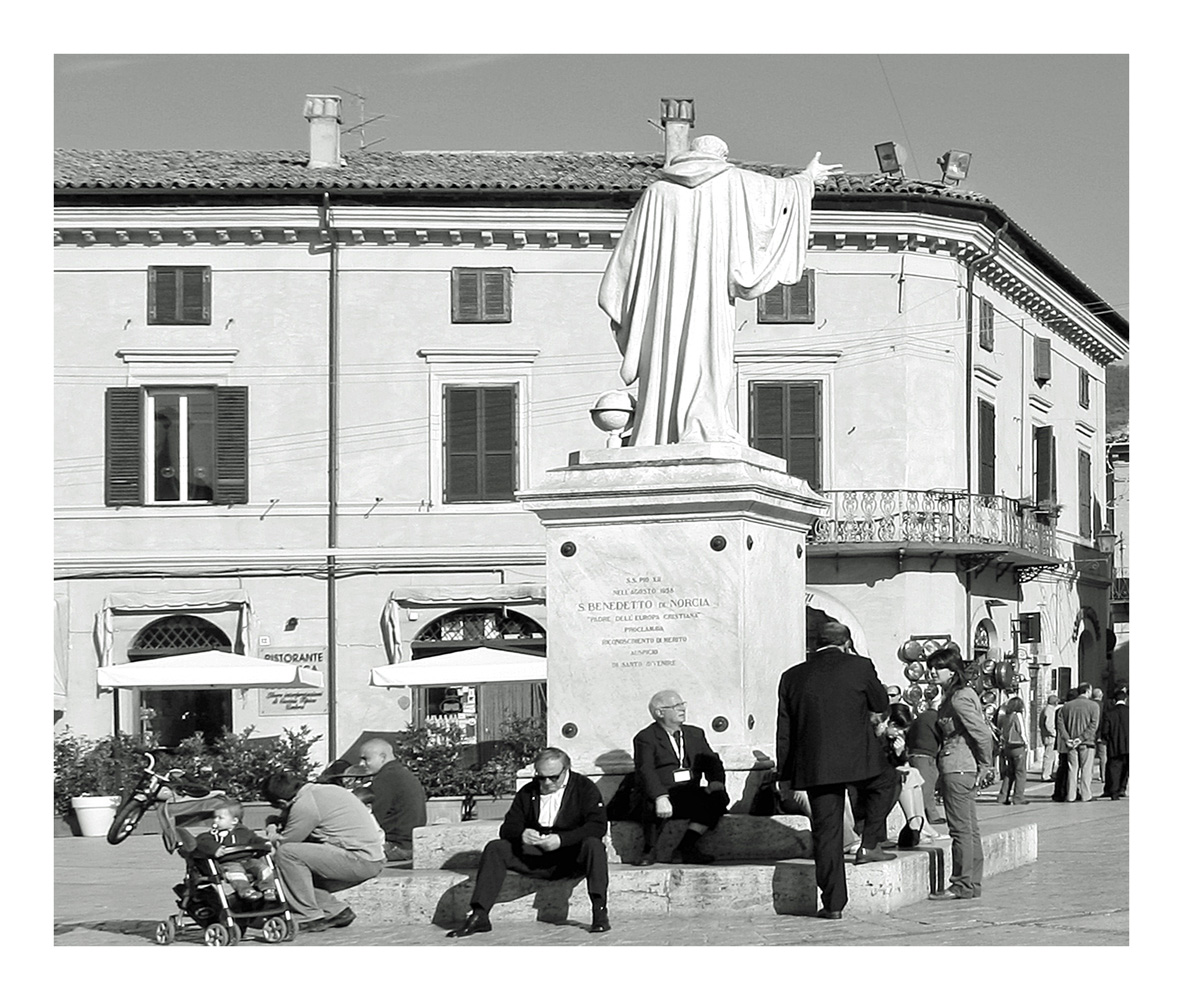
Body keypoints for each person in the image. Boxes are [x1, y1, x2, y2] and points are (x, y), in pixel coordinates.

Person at [598, 135, 842, 446]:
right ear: (721, 155)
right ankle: (704, 423)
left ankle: (659, 428)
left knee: (664, 355)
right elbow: (781, 195)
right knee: (710, 357)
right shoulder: (732, 181)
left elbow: (628, 263)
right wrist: (808, 178)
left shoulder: (656, 194)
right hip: (710, 300)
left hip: (662, 308)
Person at [777, 621, 898, 920]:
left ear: (815, 643)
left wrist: (785, 776)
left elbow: (785, 730)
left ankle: (833, 903)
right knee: (890, 779)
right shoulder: (859, 666)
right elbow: (880, 702)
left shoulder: (792, 676)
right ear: (846, 643)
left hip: (815, 765)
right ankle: (869, 841)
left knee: (827, 833)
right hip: (859, 760)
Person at [447, 748, 609, 938]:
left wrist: (562, 839)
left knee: (594, 846)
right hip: (537, 855)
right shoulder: (528, 791)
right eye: (541, 777)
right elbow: (508, 827)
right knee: (496, 847)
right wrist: (522, 834)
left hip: (570, 856)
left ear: (566, 771)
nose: (547, 783)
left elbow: (597, 826)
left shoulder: (584, 788)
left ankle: (600, 912)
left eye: (553, 777)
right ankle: (479, 914)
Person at [262, 770, 385, 932]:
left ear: (281, 802)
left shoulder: (304, 805)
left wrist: (271, 830)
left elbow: (286, 843)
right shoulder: (326, 789)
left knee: (286, 854)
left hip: (360, 860)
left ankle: (308, 915)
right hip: (371, 857)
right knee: (294, 874)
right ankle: (336, 911)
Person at [631, 689, 729, 865]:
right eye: (675, 706)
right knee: (652, 803)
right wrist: (660, 796)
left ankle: (686, 847)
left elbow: (711, 760)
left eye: (682, 704)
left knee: (718, 798)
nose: (682, 709)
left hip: (688, 791)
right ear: (660, 713)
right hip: (663, 792)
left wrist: (716, 781)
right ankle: (648, 850)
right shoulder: (646, 738)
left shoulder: (694, 734)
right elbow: (645, 770)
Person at [928, 647, 993, 900]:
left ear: (952, 670)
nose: (932, 672)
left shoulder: (959, 698)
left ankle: (961, 884)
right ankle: (971, 884)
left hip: (958, 766)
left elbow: (982, 732)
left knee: (961, 830)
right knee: (970, 829)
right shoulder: (958, 695)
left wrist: (986, 763)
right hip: (962, 766)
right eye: (931, 667)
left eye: (938, 668)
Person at [189, 797, 276, 903]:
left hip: (248, 860)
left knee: (264, 869)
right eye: (215, 817)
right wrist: (215, 848)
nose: (215, 821)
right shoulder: (214, 835)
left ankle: (268, 889)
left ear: (234, 821)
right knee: (236, 873)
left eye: (220, 818)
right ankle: (246, 891)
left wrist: (264, 843)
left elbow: (255, 839)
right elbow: (202, 841)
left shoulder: (245, 832)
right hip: (228, 862)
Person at [355, 738, 427, 862]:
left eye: (365, 759)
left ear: (382, 757)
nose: (361, 764)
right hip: (411, 845)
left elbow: (371, 819)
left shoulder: (386, 779)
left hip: (395, 847)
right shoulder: (402, 774)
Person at [882, 703, 936, 849]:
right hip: (879, 781)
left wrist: (900, 754)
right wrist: (898, 756)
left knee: (913, 773)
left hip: (889, 777)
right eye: (899, 729)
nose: (900, 733)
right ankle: (914, 822)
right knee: (906, 775)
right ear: (891, 724)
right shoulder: (879, 737)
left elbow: (899, 763)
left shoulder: (891, 740)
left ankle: (920, 821)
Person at [906, 696, 947, 826]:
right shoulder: (935, 718)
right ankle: (929, 815)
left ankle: (928, 814)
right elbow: (944, 734)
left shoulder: (921, 717)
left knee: (925, 786)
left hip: (916, 753)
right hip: (924, 755)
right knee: (926, 787)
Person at [1057, 682, 1100, 802]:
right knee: (1086, 769)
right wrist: (1081, 738)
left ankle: (1071, 795)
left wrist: (1067, 739)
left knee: (1072, 769)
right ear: (1087, 691)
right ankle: (1086, 795)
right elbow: (1093, 725)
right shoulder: (1094, 706)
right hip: (1087, 743)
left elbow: (1060, 724)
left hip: (1071, 743)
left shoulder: (1066, 706)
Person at [995, 696, 1029, 805]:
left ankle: (1003, 796)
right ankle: (1018, 797)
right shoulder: (1017, 715)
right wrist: (1026, 743)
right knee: (1020, 772)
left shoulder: (1006, 716)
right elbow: (1021, 730)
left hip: (1008, 747)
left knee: (1009, 772)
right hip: (1018, 746)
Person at [1099, 685, 1129, 800]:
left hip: (1114, 745)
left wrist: (1105, 739)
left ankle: (1113, 791)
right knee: (1126, 768)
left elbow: (1105, 730)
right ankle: (1122, 788)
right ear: (1125, 699)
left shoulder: (1109, 713)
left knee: (1114, 768)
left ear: (1114, 700)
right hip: (1129, 745)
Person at [1038, 694, 1060, 780]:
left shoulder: (1045, 709)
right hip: (1050, 737)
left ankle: (1049, 773)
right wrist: (1054, 733)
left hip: (1046, 736)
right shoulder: (1050, 710)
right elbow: (1049, 725)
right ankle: (1046, 775)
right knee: (1049, 756)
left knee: (1051, 756)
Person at [1091, 688, 1108, 784]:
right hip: (1101, 734)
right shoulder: (1104, 706)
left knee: (1090, 756)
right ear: (1101, 696)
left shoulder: (1089, 705)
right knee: (1103, 756)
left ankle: (1089, 774)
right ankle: (1103, 775)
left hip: (1090, 734)